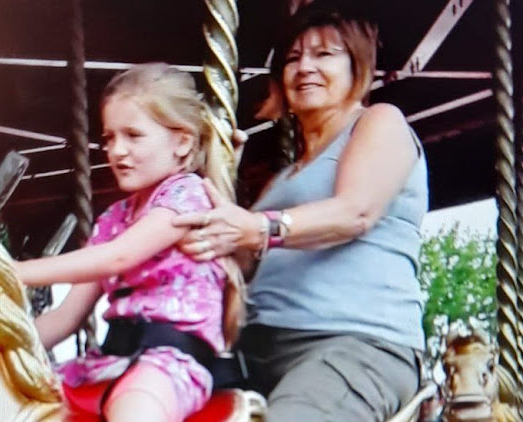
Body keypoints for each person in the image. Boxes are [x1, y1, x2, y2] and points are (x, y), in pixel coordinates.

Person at [173, 3, 428, 421]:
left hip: (353, 343)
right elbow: (245, 263)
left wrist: (256, 226)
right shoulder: (285, 178)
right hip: (257, 348)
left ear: (357, 67)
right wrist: (213, 180)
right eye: (293, 58)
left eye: (324, 54)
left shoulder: (379, 122)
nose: (305, 66)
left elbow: (355, 211)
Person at [14, 63, 242, 422]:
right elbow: (65, 316)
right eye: (109, 137)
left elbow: (120, 257)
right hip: (111, 360)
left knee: (135, 411)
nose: (117, 150)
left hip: (170, 363)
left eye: (133, 136)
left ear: (181, 142)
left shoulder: (186, 195)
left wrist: (15, 271)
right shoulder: (114, 219)